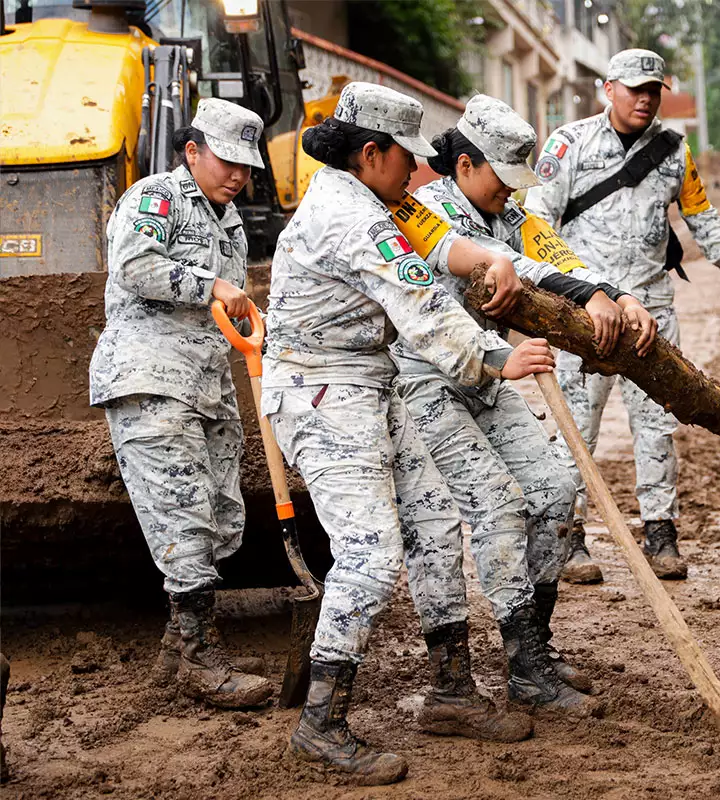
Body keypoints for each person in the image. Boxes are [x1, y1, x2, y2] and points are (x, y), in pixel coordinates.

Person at [263, 82, 559, 784]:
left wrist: (494, 262)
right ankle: (321, 725)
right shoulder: (351, 215)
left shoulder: (375, 201)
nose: (417, 171)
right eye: (407, 158)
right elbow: (419, 302)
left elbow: (437, 252)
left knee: (434, 524)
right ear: (372, 153)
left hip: (369, 384)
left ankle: (451, 690)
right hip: (321, 392)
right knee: (369, 557)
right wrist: (494, 358)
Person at [402, 94, 658, 710]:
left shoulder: (510, 210)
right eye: (502, 176)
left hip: (489, 374)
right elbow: (513, 265)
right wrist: (586, 290)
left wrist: (614, 294)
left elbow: (554, 254)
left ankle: (531, 656)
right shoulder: (425, 210)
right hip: (421, 381)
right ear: (464, 165)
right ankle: (469, 677)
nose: (511, 192)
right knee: (490, 511)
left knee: (552, 490)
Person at [525, 48, 720, 583]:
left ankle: (661, 532)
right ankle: (568, 539)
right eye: (634, 87)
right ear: (608, 88)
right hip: (583, 313)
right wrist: (562, 288)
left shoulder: (674, 151)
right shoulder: (567, 145)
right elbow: (537, 221)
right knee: (576, 429)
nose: (644, 98)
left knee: (656, 427)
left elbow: (703, 219)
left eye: (653, 90)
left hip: (652, 313)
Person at [89, 98, 273, 709]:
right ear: (192, 150)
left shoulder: (231, 222)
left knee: (221, 516)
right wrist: (211, 285)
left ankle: (179, 647)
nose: (239, 176)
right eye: (227, 162)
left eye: (247, 166)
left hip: (206, 384)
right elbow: (136, 265)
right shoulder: (155, 198)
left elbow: (225, 310)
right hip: (149, 378)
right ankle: (199, 655)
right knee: (184, 515)